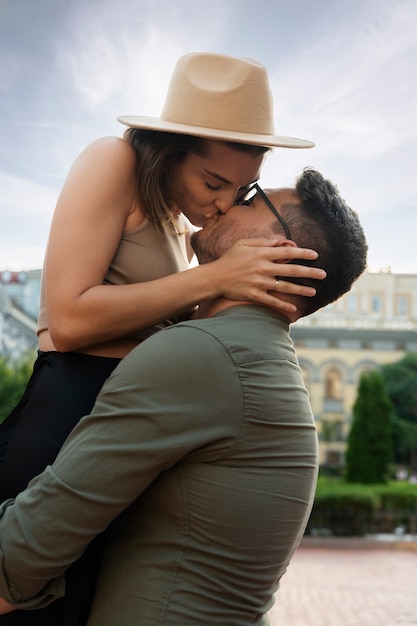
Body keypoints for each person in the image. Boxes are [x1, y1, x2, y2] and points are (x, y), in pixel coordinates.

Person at [0, 52, 323, 625]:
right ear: (166, 153)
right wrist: (215, 277)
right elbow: (68, 320)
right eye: (213, 181)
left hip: (125, 437)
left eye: (242, 191)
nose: (222, 203)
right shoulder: (113, 160)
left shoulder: (181, 225)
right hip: (66, 419)